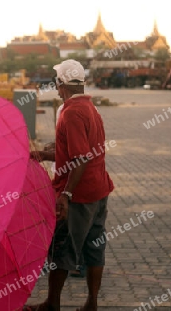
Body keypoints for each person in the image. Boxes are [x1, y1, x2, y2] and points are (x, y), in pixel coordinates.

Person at [24, 59, 114, 311]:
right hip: (99, 189)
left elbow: (81, 157)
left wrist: (66, 194)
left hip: (80, 195)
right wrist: (46, 154)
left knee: (62, 248)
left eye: (56, 83)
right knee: (94, 247)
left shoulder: (71, 112)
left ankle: (52, 304)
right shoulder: (90, 108)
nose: (56, 87)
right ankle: (91, 304)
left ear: (61, 84)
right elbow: (80, 152)